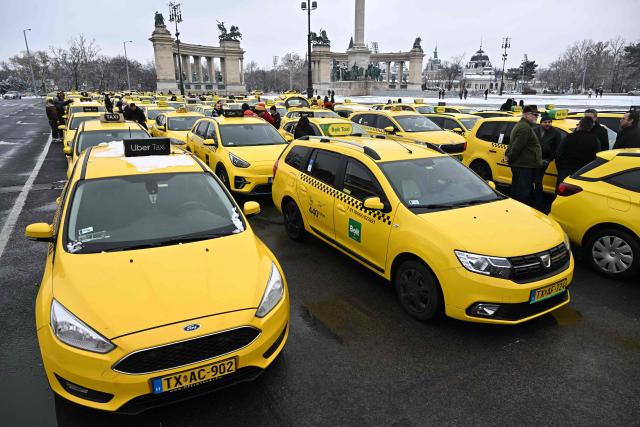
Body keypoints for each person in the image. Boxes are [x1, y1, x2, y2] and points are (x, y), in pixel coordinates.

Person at [505, 105, 542, 205]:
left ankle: (515, 207)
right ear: (526, 115)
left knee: (518, 189)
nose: (537, 116)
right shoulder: (525, 128)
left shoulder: (524, 126)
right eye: (534, 114)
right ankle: (522, 212)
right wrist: (510, 158)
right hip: (524, 165)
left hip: (522, 164)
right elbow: (517, 147)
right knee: (523, 192)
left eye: (538, 114)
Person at [555, 117, 601, 185]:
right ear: (590, 127)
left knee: (561, 193)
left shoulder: (569, 137)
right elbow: (596, 158)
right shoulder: (595, 140)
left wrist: (561, 169)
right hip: (583, 173)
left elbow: (558, 154)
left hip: (566, 171)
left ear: (580, 125)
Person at [532, 114, 562, 209]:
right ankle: (530, 198)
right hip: (532, 159)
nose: (547, 124)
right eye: (545, 122)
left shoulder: (555, 133)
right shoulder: (535, 130)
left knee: (538, 180)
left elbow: (557, 149)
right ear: (541, 123)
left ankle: (538, 202)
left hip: (544, 160)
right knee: (529, 179)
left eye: (549, 122)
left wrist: (548, 160)